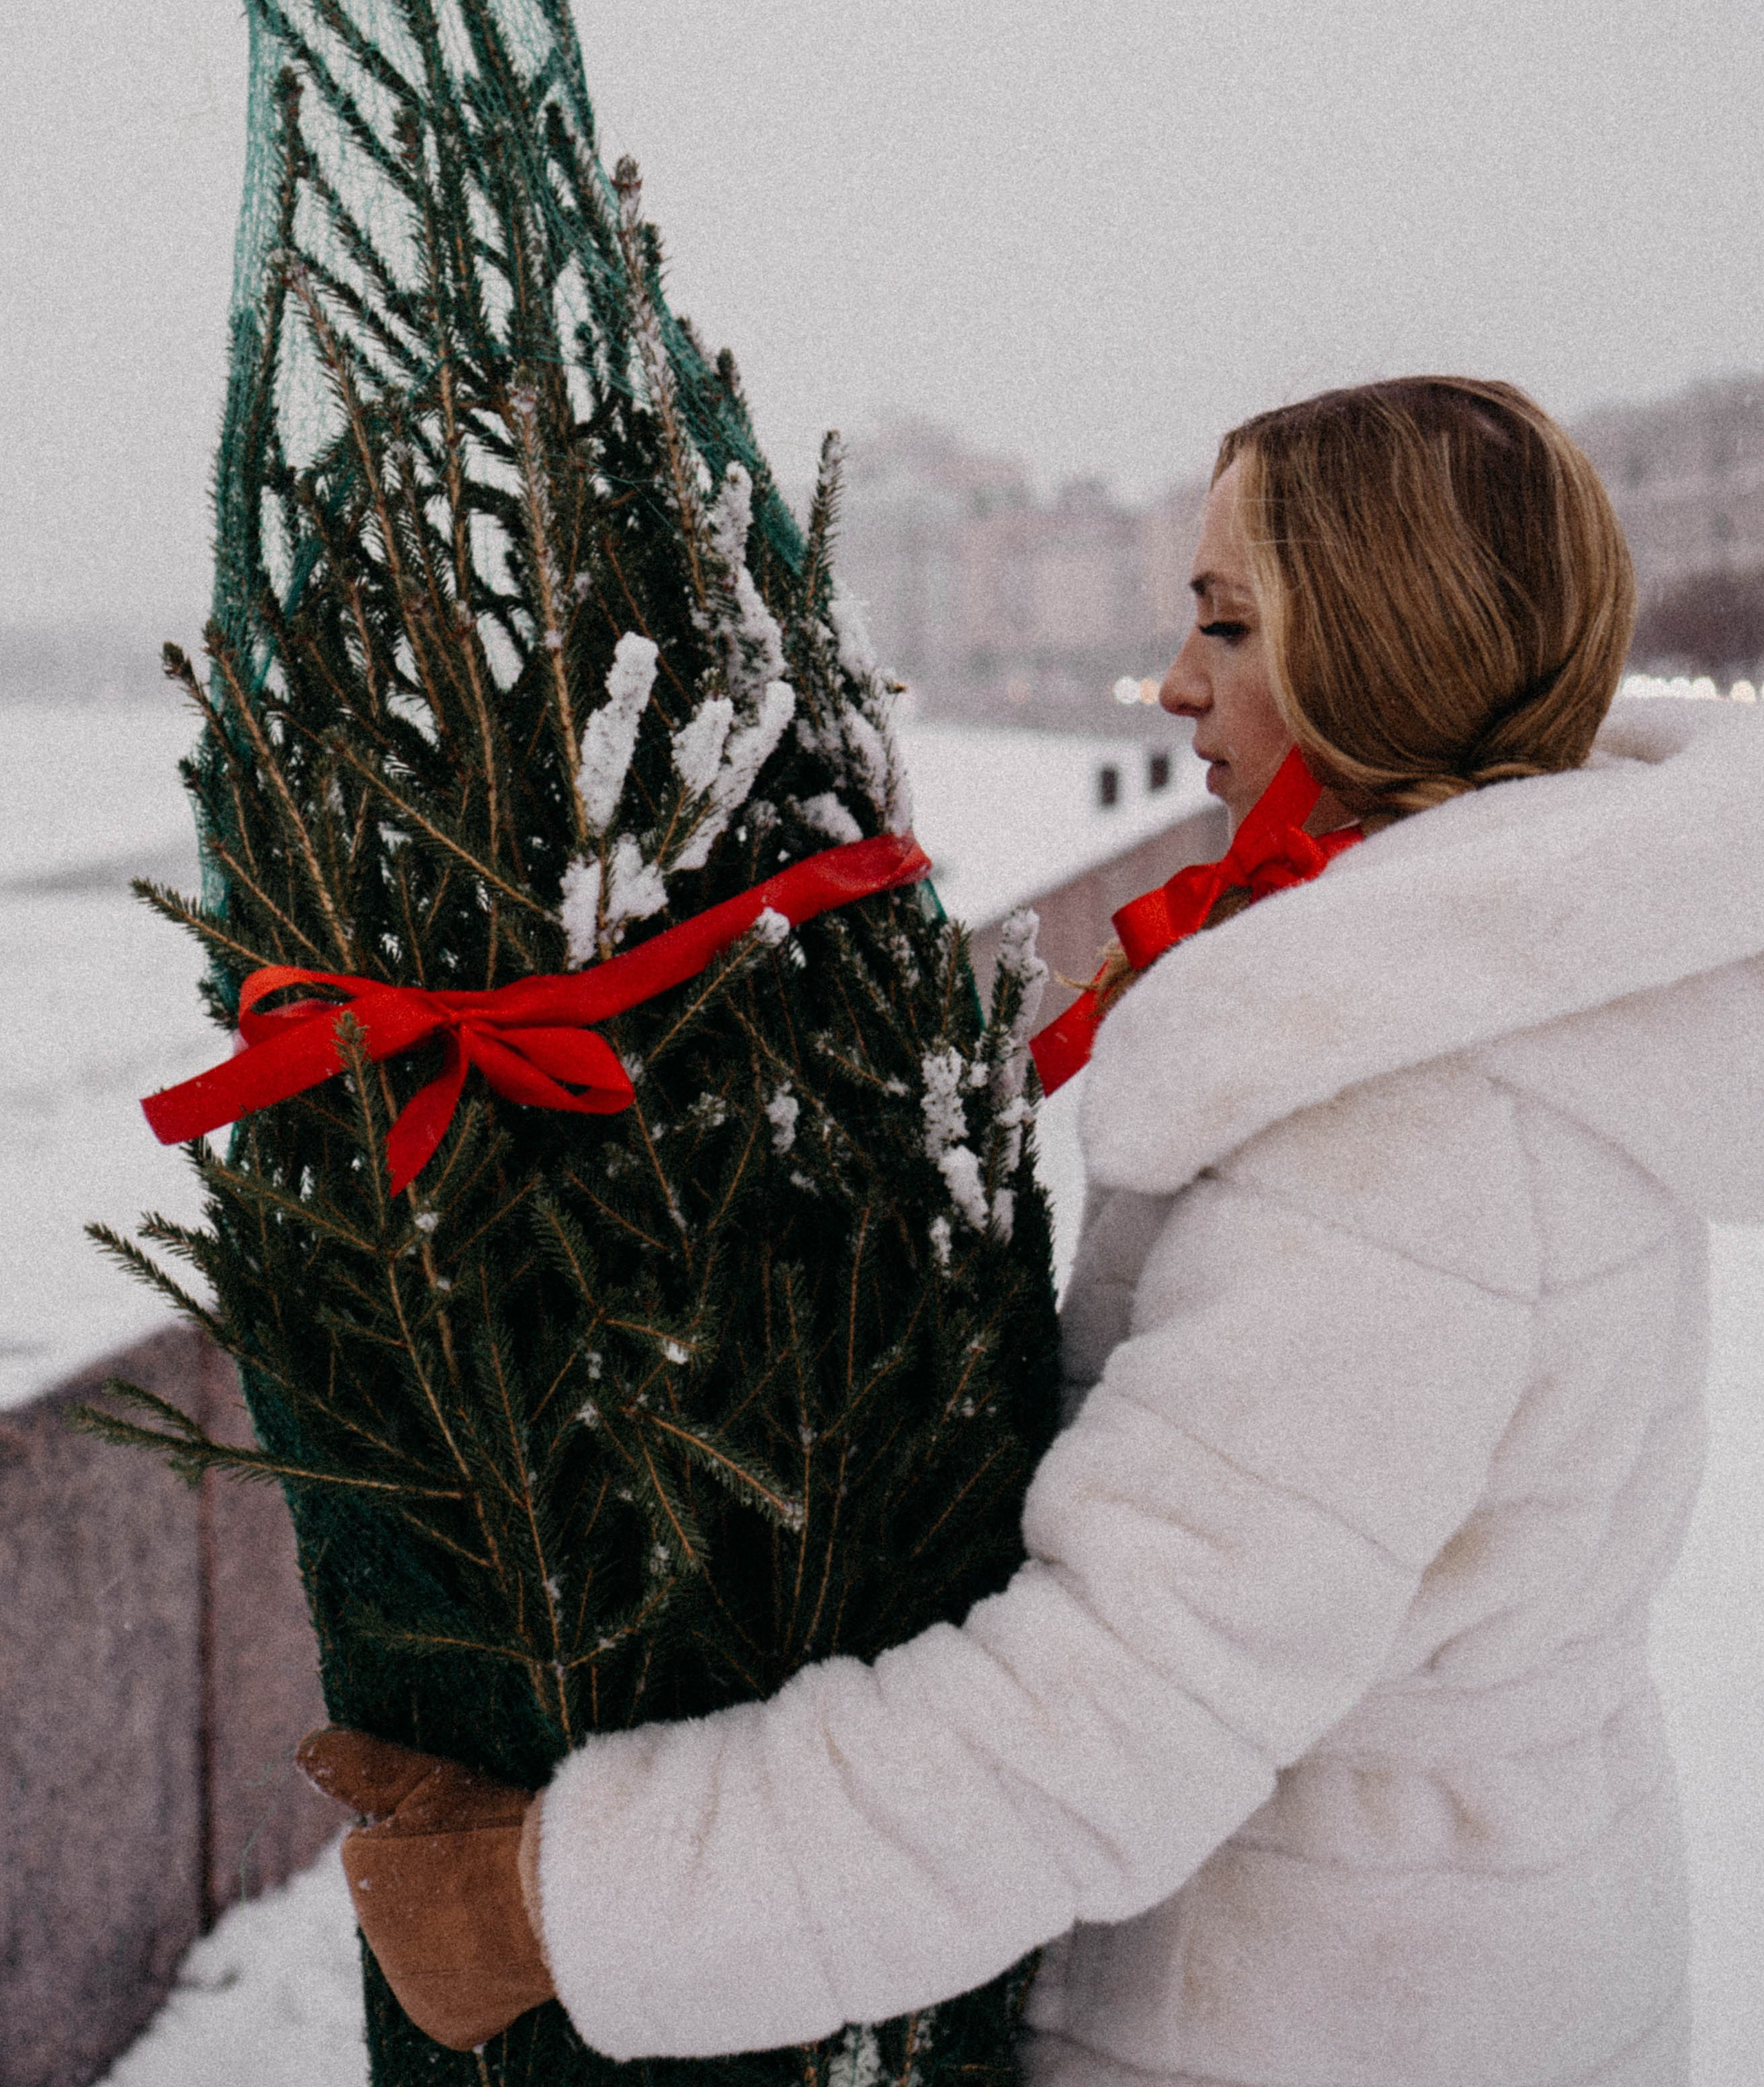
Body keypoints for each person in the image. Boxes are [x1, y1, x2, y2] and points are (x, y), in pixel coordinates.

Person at [302, 376, 1764, 2086]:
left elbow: (1111, 1714)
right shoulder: (1528, 1016)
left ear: (1389, 643)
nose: (1176, 682)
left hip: (1301, 2014)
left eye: (1230, 622)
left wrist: (560, 1902)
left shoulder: (1396, 1129)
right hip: (1464, 1971)